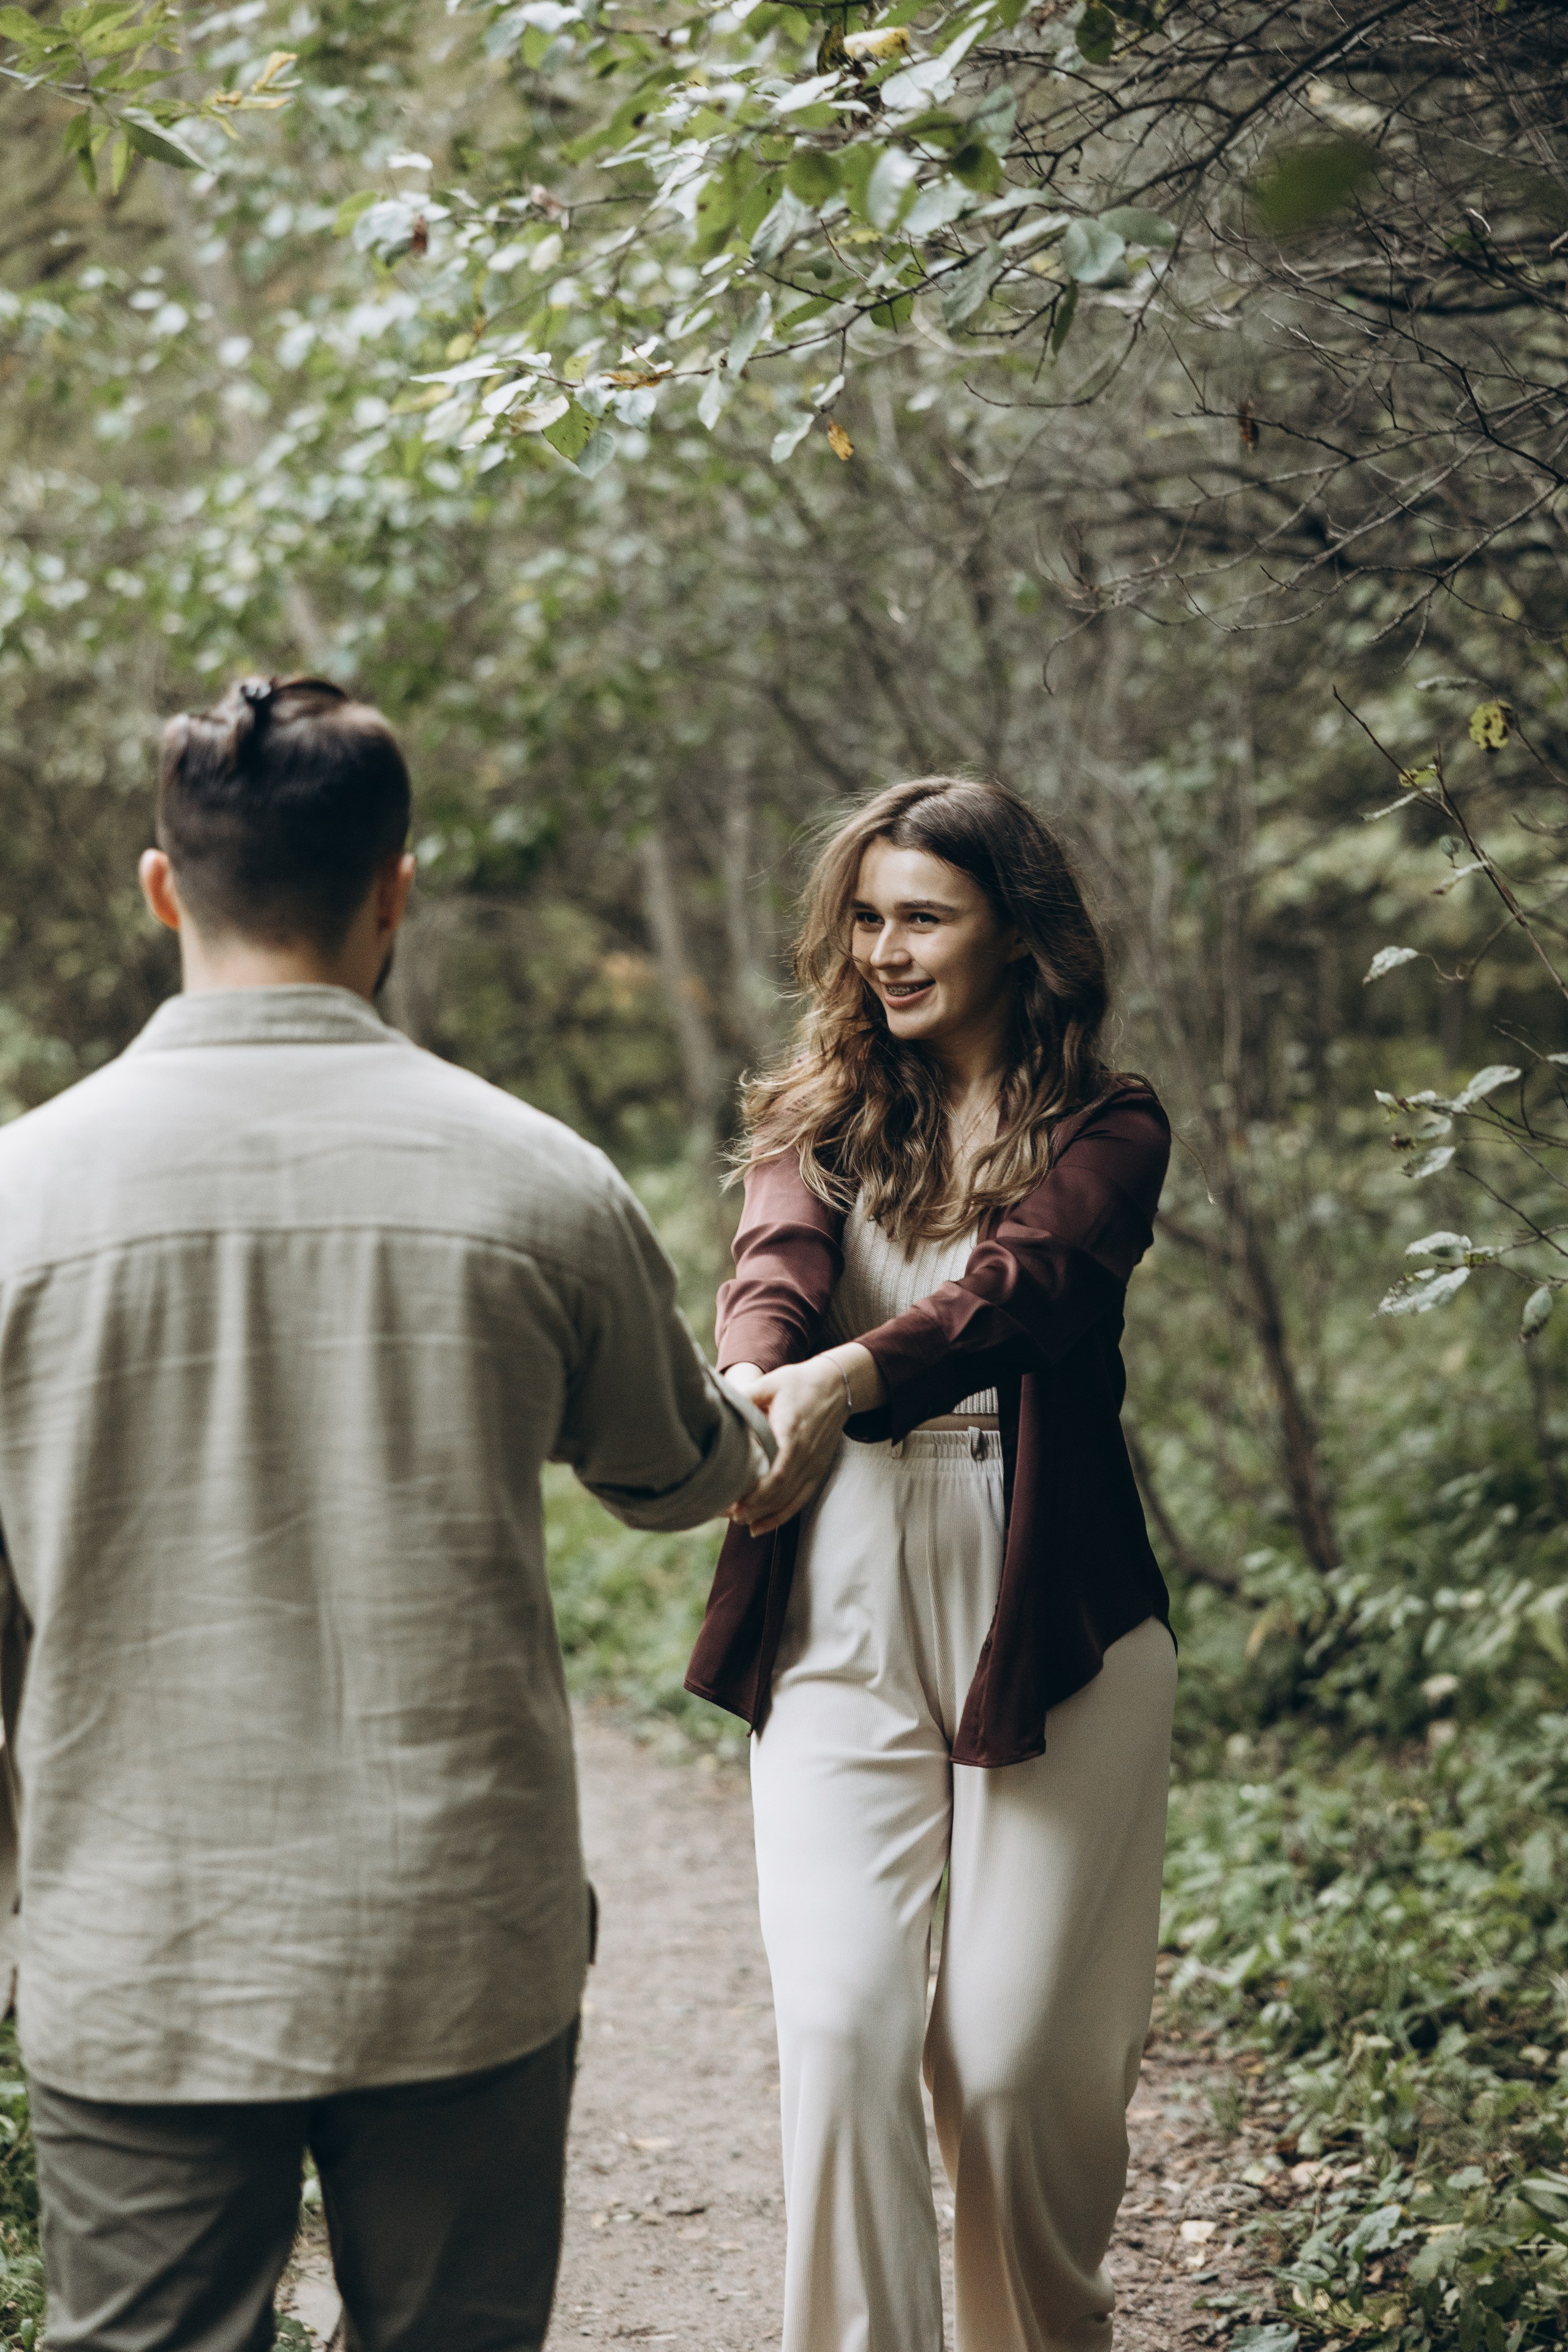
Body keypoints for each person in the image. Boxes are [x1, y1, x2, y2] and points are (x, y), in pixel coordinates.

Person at [0, 675, 772, 2352]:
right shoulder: (536, 1178)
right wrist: (771, 1415)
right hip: (461, 1939)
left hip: (139, 1945)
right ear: (396, 887)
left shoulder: (17, 1200)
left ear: (159, 886)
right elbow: (677, 1474)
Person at [685, 775, 1178, 2352]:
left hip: (1049, 1615)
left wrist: (849, 1379)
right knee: (839, 2029)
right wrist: (770, 1377)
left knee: (1013, 2070)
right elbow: (771, 1276)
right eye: (867, 919)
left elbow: (1027, 1290)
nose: (883, 951)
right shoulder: (818, 1117)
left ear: (1013, 931)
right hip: (835, 1594)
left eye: (922, 917)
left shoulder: (1109, 1125)